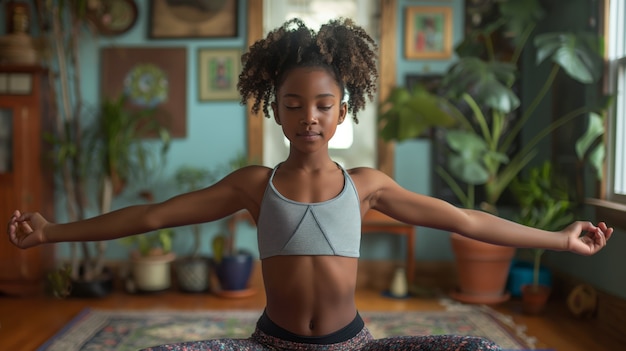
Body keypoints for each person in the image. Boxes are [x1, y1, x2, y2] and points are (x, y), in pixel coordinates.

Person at [7, 18, 612, 351]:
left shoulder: (367, 185)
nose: (309, 117)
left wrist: (560, 241)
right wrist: (53, 232)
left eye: (323, 105)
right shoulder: (254, 185)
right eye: (294, 105)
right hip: (271, 347)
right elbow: (151, 217)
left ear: (343, 112)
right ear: (275, 111)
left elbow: (464, 220)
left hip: (351, 347)